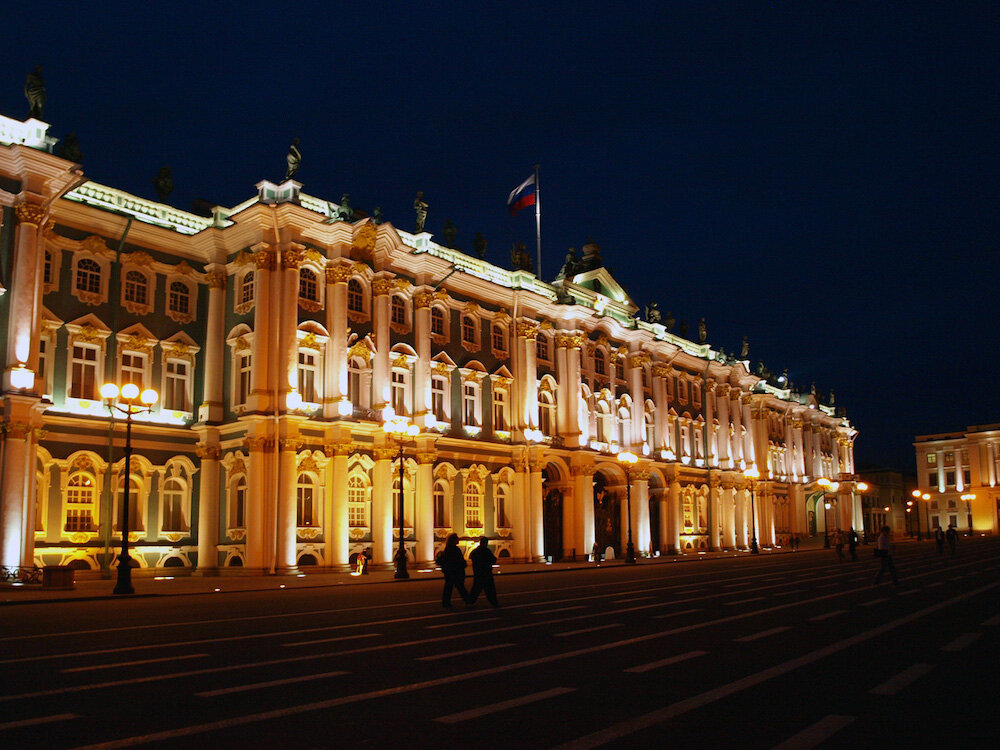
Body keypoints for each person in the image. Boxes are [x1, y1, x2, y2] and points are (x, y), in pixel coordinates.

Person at [435, 533, 469, 608]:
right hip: (455, 571)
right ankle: (467, 600)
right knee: (460, 587)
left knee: (449, 587)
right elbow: (459, 560)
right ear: (454, 540)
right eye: (457, 539)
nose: (458, 540)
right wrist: (463, 564)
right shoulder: (455, 549)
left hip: (449, 571)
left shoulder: (447, 549)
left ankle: (446, 602)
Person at [468, 536, 500, 608]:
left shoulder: (475, 551)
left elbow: (472, 558)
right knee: (490, 589)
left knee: (476, 589)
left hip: (478, 573)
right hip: (486, 573)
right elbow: (493, 560)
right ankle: (494, 603)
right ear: (486, 543)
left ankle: (470, 602)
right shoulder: (486, 551)